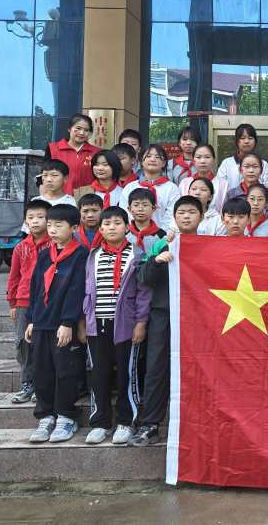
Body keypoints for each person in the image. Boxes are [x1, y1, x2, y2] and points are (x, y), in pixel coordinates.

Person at [129, 196, 201, 447]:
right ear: (174, 217)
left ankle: (196, 424)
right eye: (181, 212)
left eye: (192, 212)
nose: (186, 217)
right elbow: (143, 277)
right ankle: (150, 424)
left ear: (202, 216)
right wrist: (156, 260)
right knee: (156, 368)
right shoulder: (162, 242)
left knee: (198, 369)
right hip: (164, 314)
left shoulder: (209, 245)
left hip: (198, 317)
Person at [79, 206, 150, 445]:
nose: (112, 228)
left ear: (127, 227)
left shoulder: (137, 254)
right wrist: (83, 321)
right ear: (100, 229)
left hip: (126, 325)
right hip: (97, 324)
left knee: (126, 375)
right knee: (99, 373)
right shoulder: (93, 255)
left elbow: (143, 293)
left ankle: (126, 421)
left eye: (117, 223)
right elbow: (87, 291)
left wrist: (141, 322)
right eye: (107, 224)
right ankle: (100, 422)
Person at [24, 204, 88, 443]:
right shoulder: (44, 255)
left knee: (65, 371)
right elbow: (35, 288)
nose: (52, 229)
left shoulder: (80, 255)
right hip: (42, 322)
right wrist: (32, 319)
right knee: (41, 370)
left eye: (58, 225)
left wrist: (68, 322)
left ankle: (65, 416)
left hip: (63, 324)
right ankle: (46, 415)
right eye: (49, 224)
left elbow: (77, 290)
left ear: (74, 228)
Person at [7, 199, 52, 405]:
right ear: (25, 221)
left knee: (44, 344)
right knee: (23, 344)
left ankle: (43, 384)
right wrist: (12, 303)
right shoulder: (20, 248)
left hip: (48, 301)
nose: (35, 221)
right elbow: (14, 276)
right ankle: (27, 383)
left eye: (40, 217)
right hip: (23, 302)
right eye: (31, 217)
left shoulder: (54, 245)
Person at [122, 145, 180, 232]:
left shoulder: (172, 188)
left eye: (157, 157)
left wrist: (159, 234)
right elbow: (125, 212)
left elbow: (171, 215)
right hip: (133, 235)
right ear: (141, 161)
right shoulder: (130, 187)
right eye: (148, 156)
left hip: (163, 236)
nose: (152, 159)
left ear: (164, 163)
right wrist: (136, 231)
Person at [45, 113, 99, 195]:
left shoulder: (96, 152)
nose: (82, 133)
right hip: (59, 197)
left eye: (86, 130)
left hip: (86, 198)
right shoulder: (53, 148)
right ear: (69, 129)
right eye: (78, 128)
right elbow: (44, 175)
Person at [217, 123, 268, 189]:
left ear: (255, 141)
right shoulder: (226, 163)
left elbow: (266, 188)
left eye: (250, 138)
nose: (246, 141)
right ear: (237, 141)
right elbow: (221, 189)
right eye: (242, 138)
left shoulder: (263, 164)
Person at [179, 143, 228, 214]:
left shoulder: (223, 184)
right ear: (193, 160)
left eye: (207, 157)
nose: (203, 161)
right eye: (198, 157)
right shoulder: (184, 183)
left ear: (214, 160)